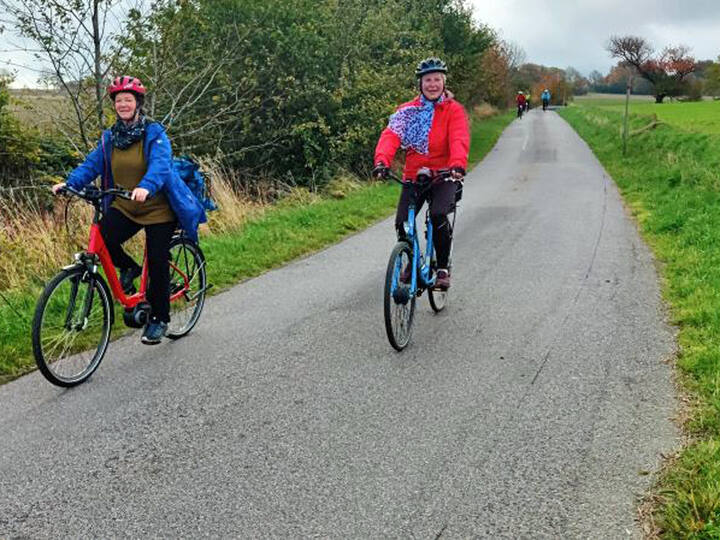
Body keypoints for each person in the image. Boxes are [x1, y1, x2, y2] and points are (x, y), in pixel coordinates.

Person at [52, 76, 206, 344]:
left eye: (128, 100)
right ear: (115, 105)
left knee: (158, 259)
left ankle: (159, 319)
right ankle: (130, 269)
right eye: (119, 100)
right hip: (125, 203)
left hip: (157, 208)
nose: (123, 104)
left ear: (138, 103)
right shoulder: (110, 138)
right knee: (103, 238)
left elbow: (161, 165)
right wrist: (71, 183)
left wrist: (146, 186)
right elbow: (92, 165)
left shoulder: (154, 133)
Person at [372, 57, 469, 290]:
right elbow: (391, 136)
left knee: (437, 214)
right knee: (402, 222)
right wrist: (382, 161)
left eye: (437, 79)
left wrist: (457, 164)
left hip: (445, 174)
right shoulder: (407, 111)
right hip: (415, 175)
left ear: (443, 83)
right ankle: (412, 260)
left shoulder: (453, 110)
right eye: (428, 80)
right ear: (420, 84)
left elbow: (459, 138)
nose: (432, 84)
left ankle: (442, 267)